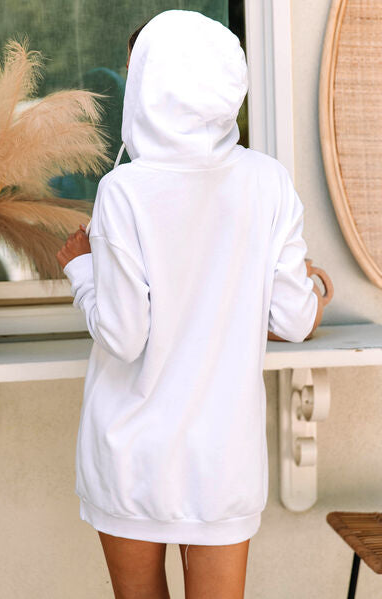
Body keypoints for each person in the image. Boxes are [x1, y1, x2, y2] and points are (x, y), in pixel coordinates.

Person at [56, 9, 333, 599]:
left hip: (131, 454)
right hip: (222, 459)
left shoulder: (124, 190)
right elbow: (293, 320)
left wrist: (80, 269)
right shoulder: (268, 181)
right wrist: (318, 289)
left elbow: (123, 336)